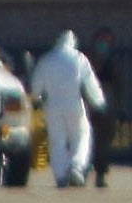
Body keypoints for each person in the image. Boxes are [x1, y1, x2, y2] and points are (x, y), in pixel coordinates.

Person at [31, 30, 105, 188]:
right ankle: (76, 167)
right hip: (74, 105)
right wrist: (99, 102)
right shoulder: (79, 58)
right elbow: (90, 82)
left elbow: (36, 85)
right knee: (81, 135)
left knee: (57, 141)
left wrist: (36, 99)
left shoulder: (47, 59)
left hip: (52, 107)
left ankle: (60, 174)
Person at [86, 28, 119, 187]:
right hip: (90, 105)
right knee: (87, 138)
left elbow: (118, 86)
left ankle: (101, 172)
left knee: (103, 141)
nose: (103, 45)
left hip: (108, 105)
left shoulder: (113, 62)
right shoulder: (87, 61)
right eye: (100, 41)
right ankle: (83, 168)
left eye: (106, 41)